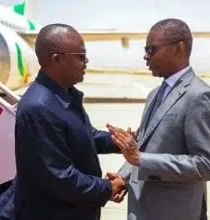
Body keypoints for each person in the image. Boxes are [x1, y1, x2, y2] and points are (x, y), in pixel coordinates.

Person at [106, 18, 210, 220]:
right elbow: (142, 146)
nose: (145, 56)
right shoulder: (155, 94)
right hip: (142, 208)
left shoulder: (200, 96)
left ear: (178, 48)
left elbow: (205, 165)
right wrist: (123, 177)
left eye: (151, 50)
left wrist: (141, 159)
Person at [11, 23, 126, 220]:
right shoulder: (39, 108)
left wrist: (124, 140)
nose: (86, 61)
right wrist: (107, 188)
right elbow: (58, 178)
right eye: (80, 56)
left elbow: (86, 137)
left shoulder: (64, 94)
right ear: (56, 60)